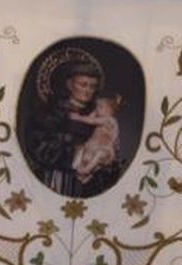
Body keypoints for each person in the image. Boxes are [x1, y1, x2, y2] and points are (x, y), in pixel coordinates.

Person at [21, 52, 125, 197]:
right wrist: (76, 152)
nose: (88, 90)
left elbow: (110, 150)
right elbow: (39, 148)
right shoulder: (49, 114)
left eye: (92, 86)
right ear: (70, 84)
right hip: (57, 182)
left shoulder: (100, 116)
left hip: (90, 188)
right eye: (83, 84)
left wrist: (107, 163)